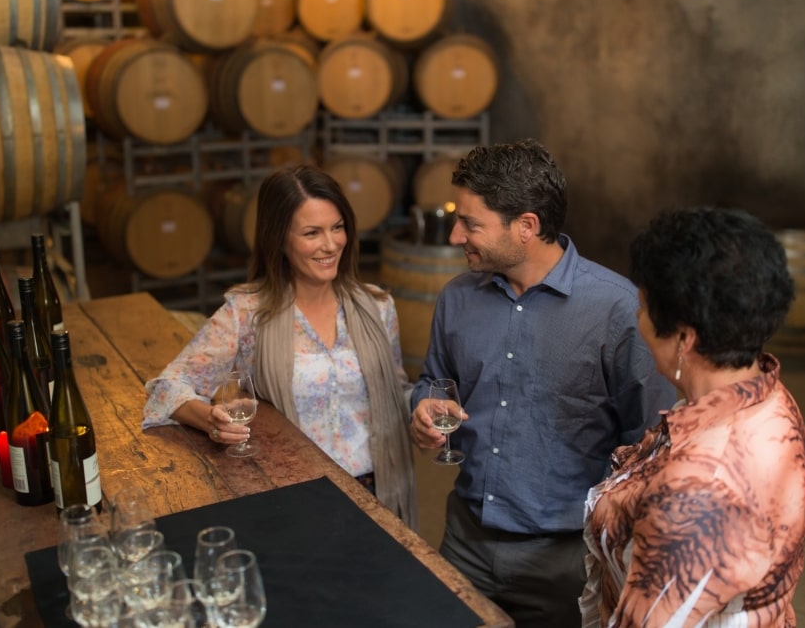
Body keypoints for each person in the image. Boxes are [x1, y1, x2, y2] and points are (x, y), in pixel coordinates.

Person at [409, 139, 677, 627]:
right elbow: (433, 380)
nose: (454, 236)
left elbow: (651, 448)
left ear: (527, 226)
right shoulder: (457, 299)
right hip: (464, 540)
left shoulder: (618, 311)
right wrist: (424, 406)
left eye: (470, 223)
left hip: (565, 561)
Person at [144, 165, 417, 526]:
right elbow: (166, 389)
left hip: (377, 491)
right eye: (311, 233)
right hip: (294, 494)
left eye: (337, 227)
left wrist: (425, 409)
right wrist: (210, 420)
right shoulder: (246, 314)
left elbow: (397, 392)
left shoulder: (377, 306)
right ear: (279, 239)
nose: (331, 244)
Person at [579, 207, 805, 627]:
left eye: (644, 307)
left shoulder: (699, 492)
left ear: (684, 338)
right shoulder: (763, 391)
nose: (637, 317)